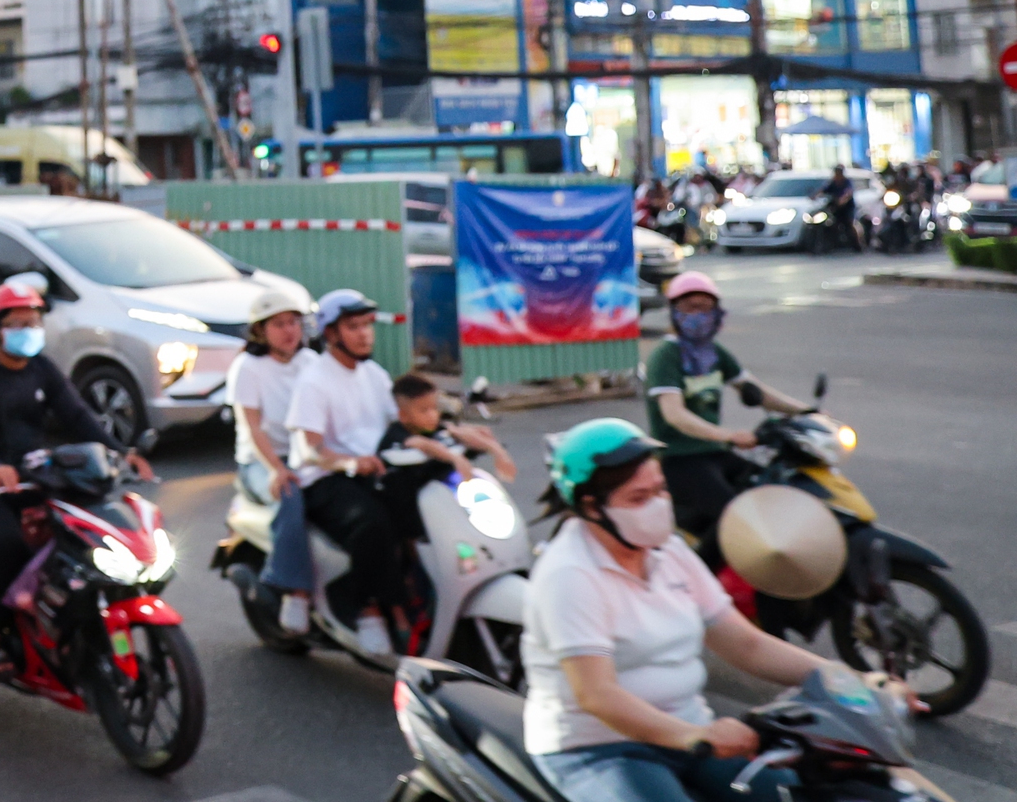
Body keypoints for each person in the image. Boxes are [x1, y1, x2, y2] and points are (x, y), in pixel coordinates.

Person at [522, 418, 853, 802]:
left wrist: (846, 681)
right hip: (600, 749)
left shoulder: (669, 551)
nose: (658, 505)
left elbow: (743, 643)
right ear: (591, 507)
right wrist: (695, 737)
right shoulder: (570, 574)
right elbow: (597, 695)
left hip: (690, 734)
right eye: (638, 498)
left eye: (660, 490)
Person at [0, 281, 149, 676]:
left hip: (36, 472)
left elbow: (76, 415)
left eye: (33, 321)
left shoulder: (42, 367)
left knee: (82, 534)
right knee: (7, 545)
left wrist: (119, 451)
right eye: (17, 322)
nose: (28, 329)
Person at [643, 272, 815, 561]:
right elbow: (674, 415)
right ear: (673, 312)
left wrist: (807, 412)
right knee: (736, 517)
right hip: (680, 458)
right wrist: (729, 436)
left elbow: (755, 390)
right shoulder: (666, 356)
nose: (698, 315)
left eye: (705, 307)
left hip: (715, 453)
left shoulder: (712, 353)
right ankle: (701, 578)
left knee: (769, 493)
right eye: (690, 307)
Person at [287, 287, 405, 658]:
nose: (365, 334)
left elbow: (401, 419)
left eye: (368, 325)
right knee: (371, 523)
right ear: (332, 334)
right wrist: (351, 463)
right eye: (353, 326)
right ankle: (365, 607)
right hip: (323, 478)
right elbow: (311, 449)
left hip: (370, 470)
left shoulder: (374, 373)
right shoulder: (315, 380)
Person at [227, 280, 319, 636]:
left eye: (293, 322)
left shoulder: (311, 361)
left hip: (306, 456)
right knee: (291, 496)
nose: (288, 331)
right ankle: (294, 591)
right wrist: (278, 469)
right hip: (260, 461)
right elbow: (253, 427)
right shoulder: (248, 368)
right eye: (278, 324)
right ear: (261, 331)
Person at [374, 372, 517, 541]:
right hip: (406, 509)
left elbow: (459, 432)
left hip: (441, 506)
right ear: (403, 416)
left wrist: (497, 451)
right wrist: (454, 458)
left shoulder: (434, 428)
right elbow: (422, 444)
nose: (433, 415)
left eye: (434, 408)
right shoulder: (398, 434)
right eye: (424, 410)